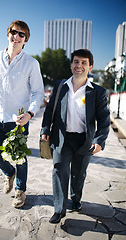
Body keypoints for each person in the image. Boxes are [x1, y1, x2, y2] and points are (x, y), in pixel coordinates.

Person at [0, 20, 44, 208]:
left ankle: (20, 190)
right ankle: (9, 173)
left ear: (25, 40)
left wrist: (30, 114)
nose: (17, 37)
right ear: (8, 34)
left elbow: (38, 92)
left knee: (20, 158)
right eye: (14, 32)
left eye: (22, 35)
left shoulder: (31, 63)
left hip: (19, 120)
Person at [40, 49, 110, 224]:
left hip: (84, 141)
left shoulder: (98, 92)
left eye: (84, 62)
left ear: (90, 67)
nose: (79, 66)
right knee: (58, 170)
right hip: (61, 138)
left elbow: (104, 120)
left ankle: (76, 199)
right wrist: (44, 129)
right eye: (76, 62)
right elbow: (50, 110)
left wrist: (99, 140)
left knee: (79, 174)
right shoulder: (60, 85)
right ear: (71, 64)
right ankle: (59, 209)